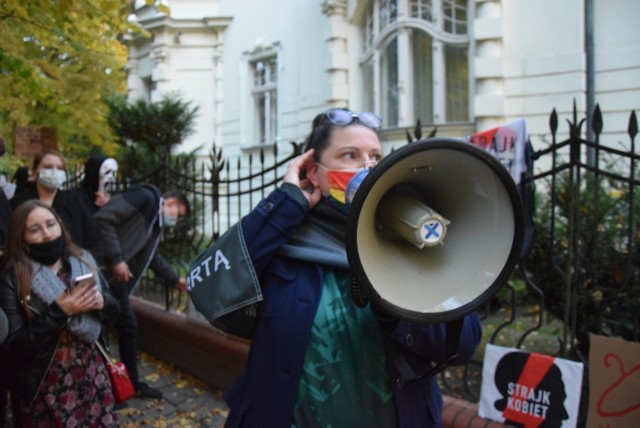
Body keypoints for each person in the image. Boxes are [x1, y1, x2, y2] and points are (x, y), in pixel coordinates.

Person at [217, 108, 483, 427]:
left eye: (376, 155)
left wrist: (397, 306)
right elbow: (217, 288)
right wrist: (285, 203)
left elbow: (463, 342)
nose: (368, 166)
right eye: (350, 155)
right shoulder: (281, 243)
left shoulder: (415, 241)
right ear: (314, 172)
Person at [0, 200, 120, 427]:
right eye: (35, 230)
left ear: (60, 226)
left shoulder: (83, 261)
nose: (47, 234)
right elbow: (13, 347)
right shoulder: (13, 278)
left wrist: (103, 302)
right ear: (22, 238)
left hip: (92, 377)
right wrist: (61, 311)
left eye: (50, 224)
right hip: (45, 388)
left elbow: (114, 313)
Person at [93, 184, 189, 399]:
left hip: (115, 281)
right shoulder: (145, 198)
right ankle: (111, 386)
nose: (176, 220)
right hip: (104, 272)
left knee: (119, 327)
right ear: (171, 203)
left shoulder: (154, 226)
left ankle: (123, 384)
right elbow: (104, 218)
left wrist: (175, 280)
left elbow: (151, 257)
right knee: (120, 327)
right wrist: (117, 259)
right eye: (178, 215)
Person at [9, 149, 103, 259]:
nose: (54, 172)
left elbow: (94, 240)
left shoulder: (75, 203)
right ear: (35, 171)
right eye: (48, 167)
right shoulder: (18, 204)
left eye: (59, 168)